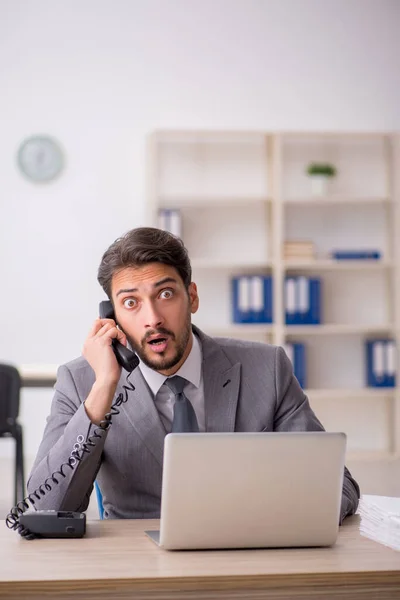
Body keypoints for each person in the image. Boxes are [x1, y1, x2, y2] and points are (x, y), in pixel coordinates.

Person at [27, 227, 360, 521]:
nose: (152, 318)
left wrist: (267, 518)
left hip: (246, 556)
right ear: (111, 319)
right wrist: (102, 391)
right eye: (131, 303)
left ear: (193, 297)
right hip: (137, 569)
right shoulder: (82, 382)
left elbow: (338, 486)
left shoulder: (267, 368)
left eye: (166, 294)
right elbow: (43, 509)